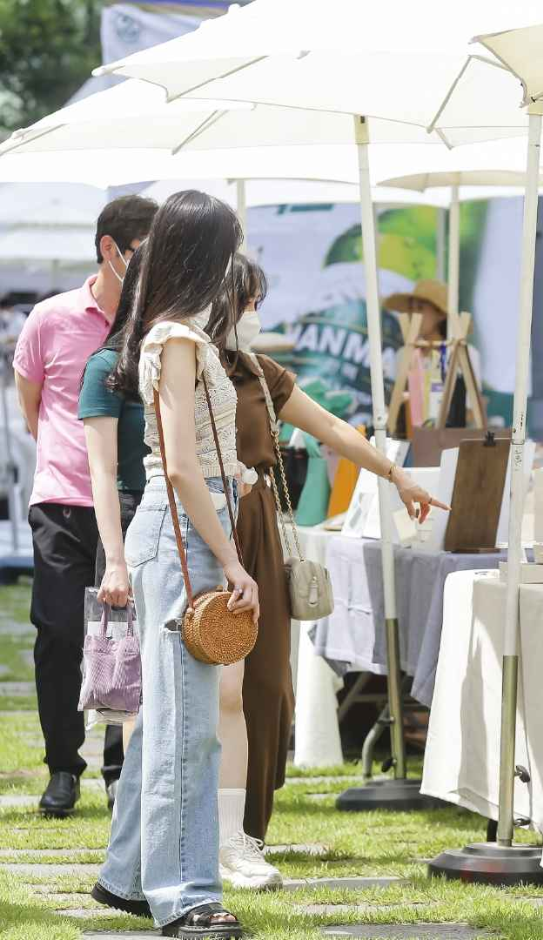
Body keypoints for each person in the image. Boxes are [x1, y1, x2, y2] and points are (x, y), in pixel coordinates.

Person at [221, 256, 447, 879]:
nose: (252, 314)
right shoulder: (178, 364)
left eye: (254, 302)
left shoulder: (262, 374)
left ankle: (245, 832)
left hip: (259, 529)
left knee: (268, 685)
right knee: (212, 691)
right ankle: (194, 830)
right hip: (202, 529)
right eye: (245, 301)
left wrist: (396, 473)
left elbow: (330, 426)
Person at [91, 191, 255, 937]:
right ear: (206, 254)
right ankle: (186, 894)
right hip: (187, 529)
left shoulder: (172, 333)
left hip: (180, 525)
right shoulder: (178, 338)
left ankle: (127, 877)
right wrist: (231, 558)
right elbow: (183, 468)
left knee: (168, 721)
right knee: (188, 729)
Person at [13, 194, 157, 818]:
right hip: (63, 501)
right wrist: (66, 458)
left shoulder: (153, 324)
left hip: (131, 497)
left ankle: (119, 767)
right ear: (110, 250)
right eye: (145, 257)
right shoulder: (49, 318)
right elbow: (32, 407)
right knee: (59, 633)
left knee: (126, 635)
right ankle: (62, 766)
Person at [78, 249, 149, 812]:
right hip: (129, 516)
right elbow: (100, 471)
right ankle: (126, 790)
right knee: (127, 674)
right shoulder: (108, 367)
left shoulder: (189, 362)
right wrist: (117, 557)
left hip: (181, 520)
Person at [385, 279, 481, 431]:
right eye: (411, 308)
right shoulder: (403, 355)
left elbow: (471, 410)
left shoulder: (463, 353)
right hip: (409, 442)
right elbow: (392, 407)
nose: (413, 314)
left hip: (449, 442)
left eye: (420, 308)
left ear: (441, 314)